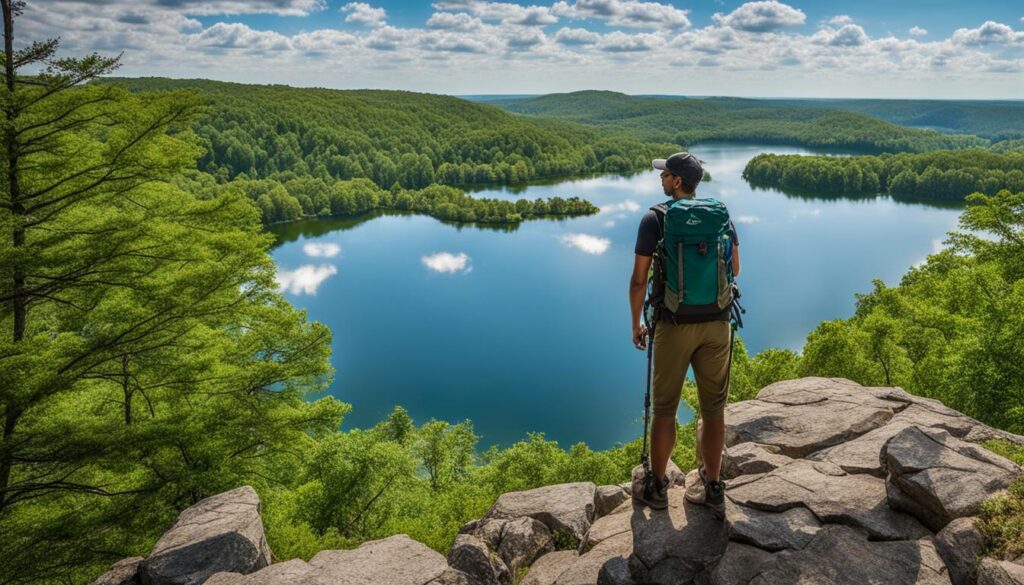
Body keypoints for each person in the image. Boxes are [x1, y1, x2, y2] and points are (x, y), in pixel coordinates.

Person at [628, 152, 741, 515]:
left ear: (677, 181)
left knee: (664, 410)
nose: (662, 179)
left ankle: (657, 487)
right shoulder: (719, 215)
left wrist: (636, 323)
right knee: (713, 410)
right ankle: (711, 486)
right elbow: (735, 268)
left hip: (674, 326)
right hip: (717, 323)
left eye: (666, 175)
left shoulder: (655, 218)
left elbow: (638, 279)